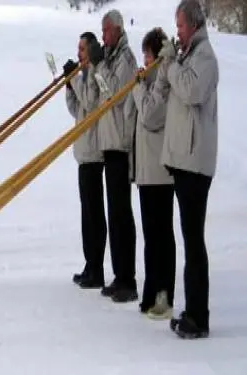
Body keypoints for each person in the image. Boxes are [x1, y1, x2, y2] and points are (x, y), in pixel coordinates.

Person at [157, 0, 219, 339]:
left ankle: (199, 316)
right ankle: (193, 310)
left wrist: (169, 64)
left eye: (179, 26)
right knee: (189, 239)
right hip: (185, 161)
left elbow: (192, 91)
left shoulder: (205, 57)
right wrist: (172, 62)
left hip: (196, 164)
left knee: (194, 241)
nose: (177, 32)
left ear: (193, 25)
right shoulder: (190, 55)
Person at [124, 27, 176, 320]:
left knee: (161, 236)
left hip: (161, 172)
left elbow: (151, 115)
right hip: (146, 172)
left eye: (147, 54)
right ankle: (151, 291)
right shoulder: (150, 81)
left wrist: (138, 87)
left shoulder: (162, 81)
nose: (144, 60)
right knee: (151, 237)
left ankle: (163, 295)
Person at [96, 9, 138, 303]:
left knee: (122, 212)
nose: (103, 37)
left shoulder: (125, 59)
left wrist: (100, 66)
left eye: (106, 32)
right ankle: (119, 273)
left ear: (118, 31)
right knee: (114, 212)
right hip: (108, 143)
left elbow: (117, 94)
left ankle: (128, 278)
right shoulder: (111, 58)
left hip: (121, 145)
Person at [63, 32, 106, 289]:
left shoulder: (93, 74)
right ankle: (90, 264)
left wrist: (76, 80)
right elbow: (76, 109)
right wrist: (70, 86)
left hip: (93, 152)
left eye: (82, 48)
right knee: (86, 215)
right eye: (77, 48)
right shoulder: (85, 76)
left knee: (94, 214)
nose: (79, 53)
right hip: (83, 152)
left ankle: (97, 267)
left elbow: (90, 103)